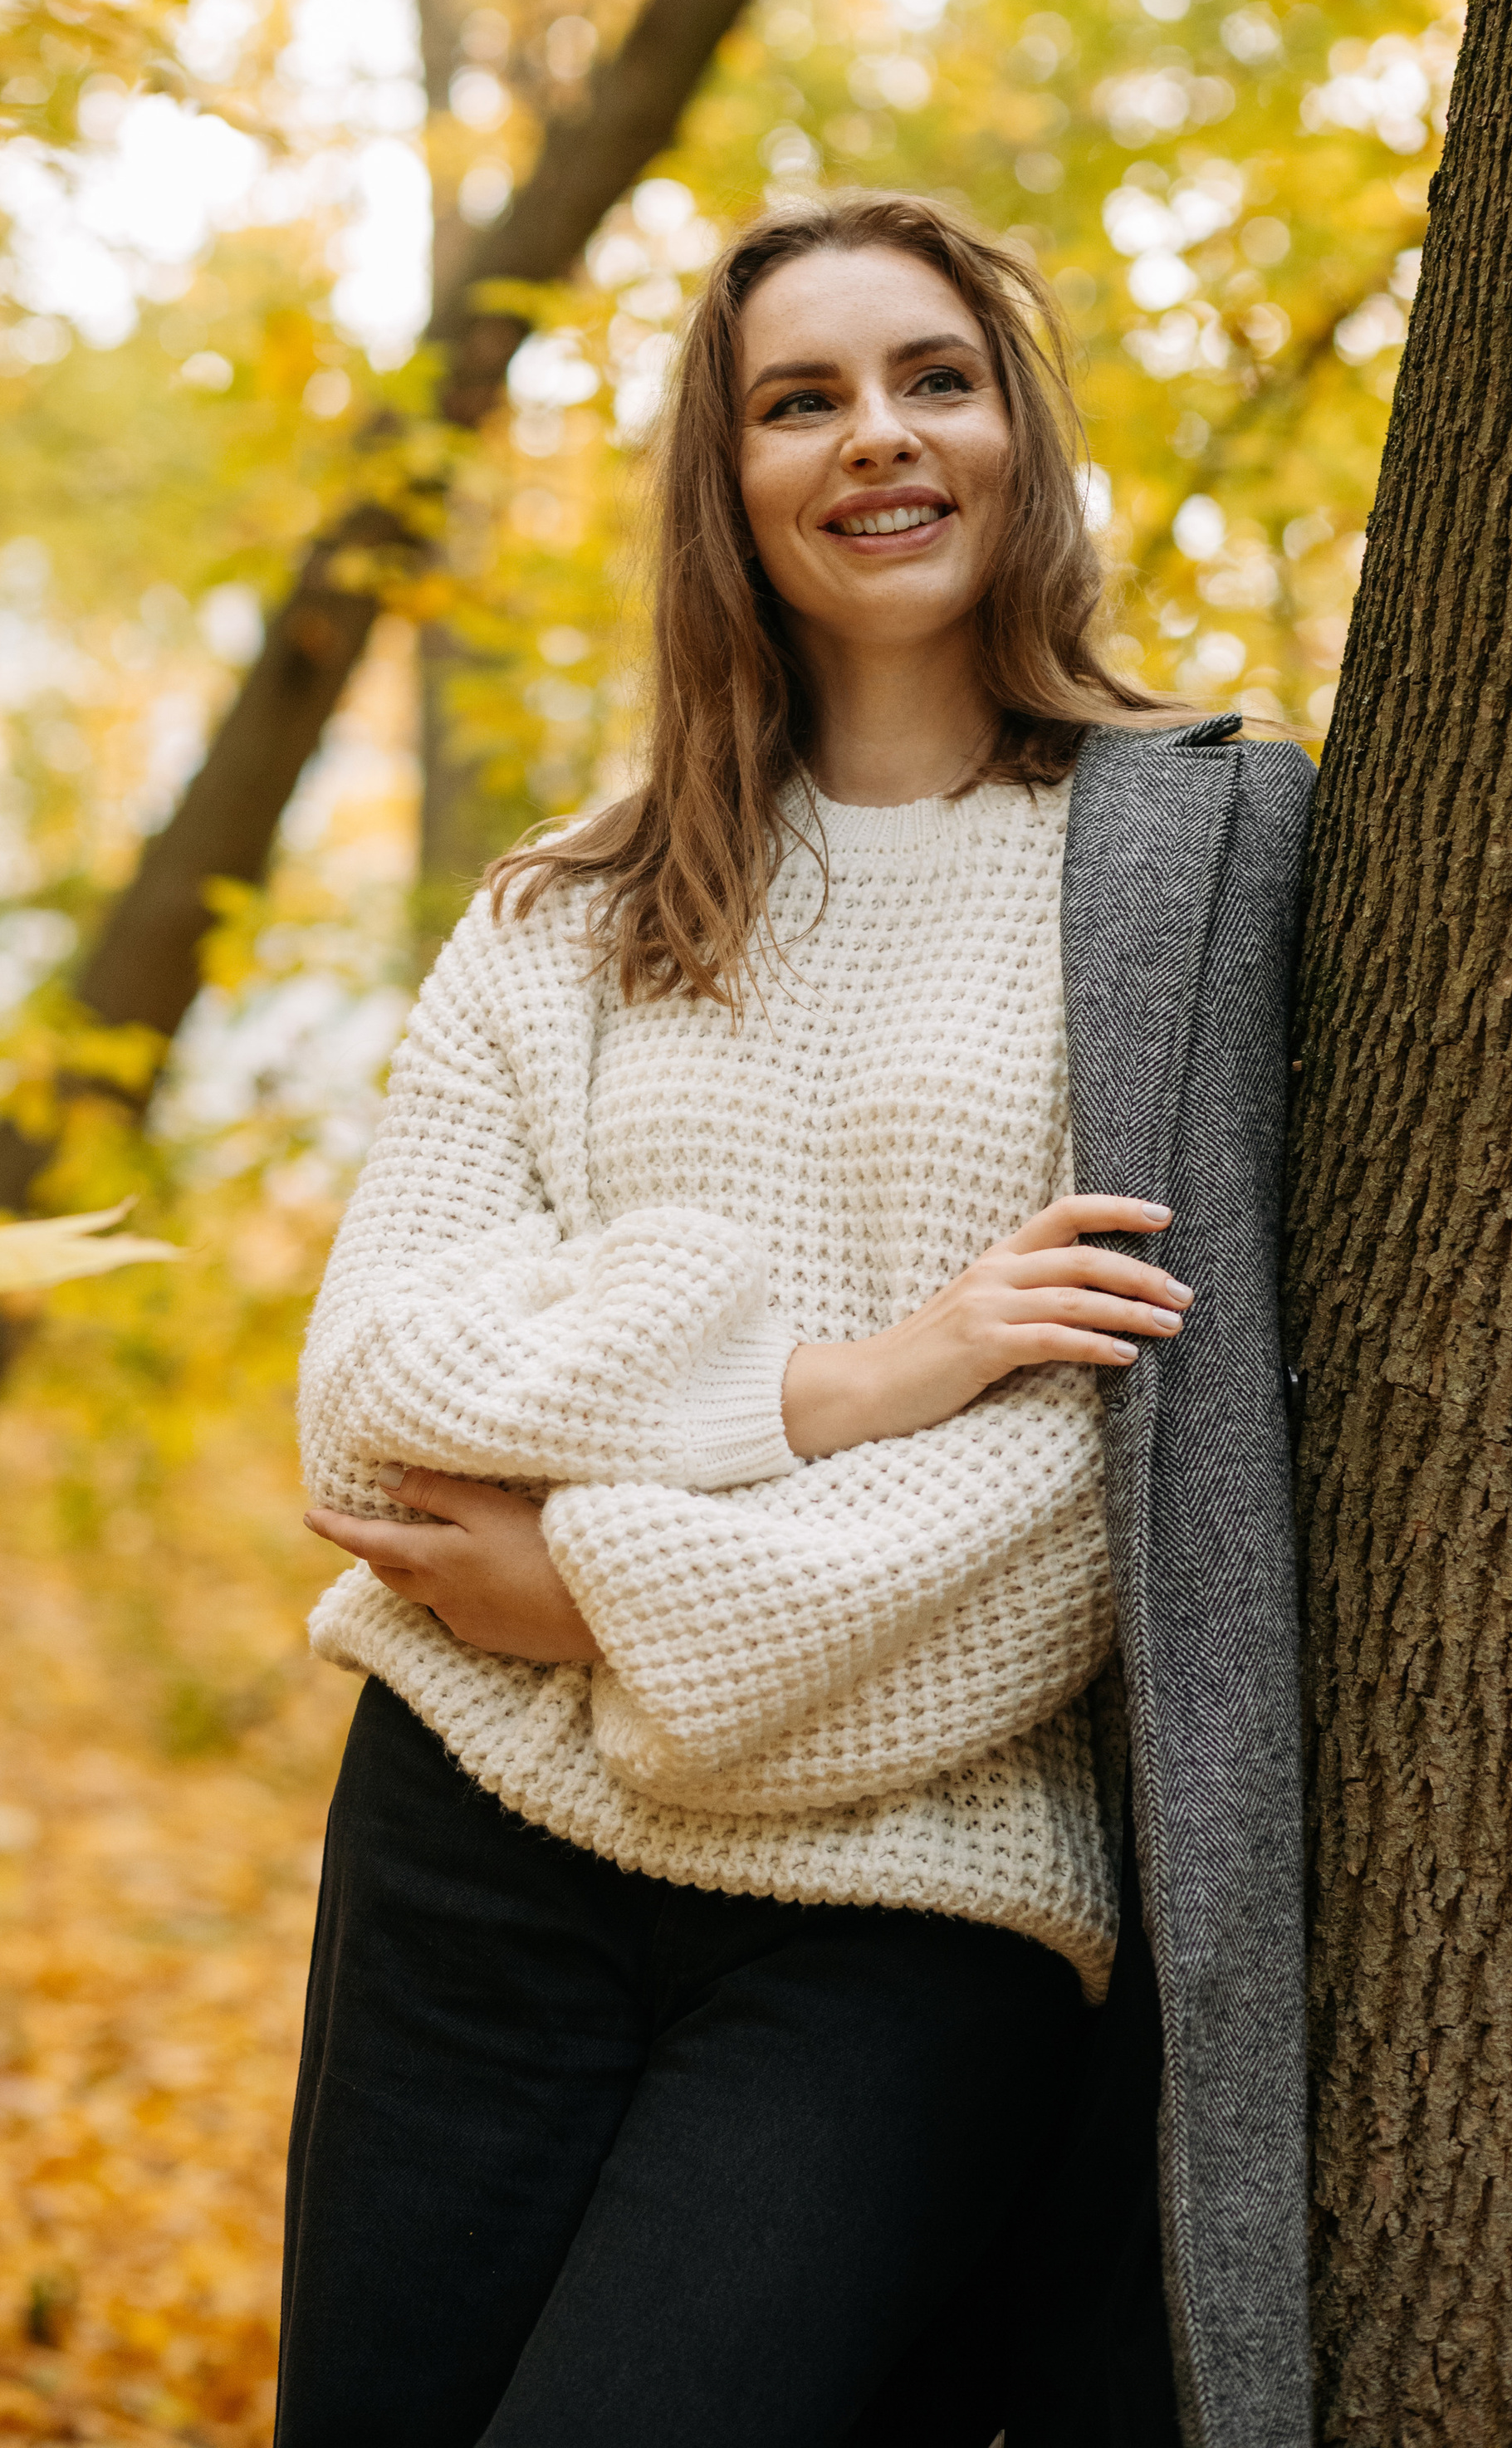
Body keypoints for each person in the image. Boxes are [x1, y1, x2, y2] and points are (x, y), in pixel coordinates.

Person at [278, 189, 1311, 2448]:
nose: (879, 439)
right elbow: (374, 1390)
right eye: (801, 399)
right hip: (470, 1849)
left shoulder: (1194, 869)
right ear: (727, 483)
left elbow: (1114, 1475)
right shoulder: (575, 901)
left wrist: (597, 1589)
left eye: (934, 379)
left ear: (1019, 435)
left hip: (906, 1907)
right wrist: (849, 1377)